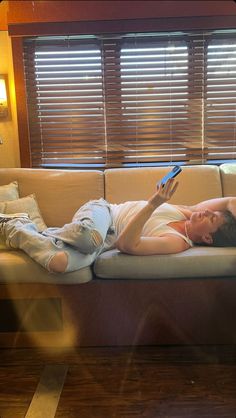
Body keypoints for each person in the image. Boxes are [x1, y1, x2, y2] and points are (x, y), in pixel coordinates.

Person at [0, 179, 236, 274]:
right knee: (87, 239)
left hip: (107, 240)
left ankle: (15, 226)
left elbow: (125, 244)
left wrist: (154, 203)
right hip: (103, 213)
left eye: (212, 219)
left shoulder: (177, 242)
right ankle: (42, 231)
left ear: (206, 239)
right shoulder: (188, 211)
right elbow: (230, 201)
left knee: (60, 263)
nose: (205, 211)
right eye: (210, 212)